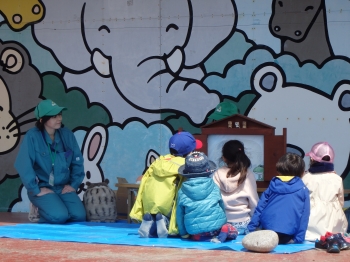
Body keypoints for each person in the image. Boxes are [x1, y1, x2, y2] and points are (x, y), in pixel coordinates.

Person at [14, 99, 86, 224]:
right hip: (43, 187)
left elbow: (77, 162)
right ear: (42, 120)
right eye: (53, 116)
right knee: (59, 216)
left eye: (59, 114)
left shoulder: (67, 135)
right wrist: (35, 189)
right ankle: (38, 210)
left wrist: (73, 185)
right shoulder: (32, 136)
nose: (59, 118)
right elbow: (23, 165)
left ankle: (54, 205)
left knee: (79, 216)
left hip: (63, 187)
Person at [129, 131, 201, 238]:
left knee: (155, 219)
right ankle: (164, 221)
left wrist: (139, 209)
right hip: (167, 206)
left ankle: (149, 220)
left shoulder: (158, 161)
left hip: (149, 203)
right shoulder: (184, 165)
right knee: (174, 214)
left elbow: (144, 181)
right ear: (189, 152)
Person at [247, 153, 310, 244]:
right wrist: (299, 238)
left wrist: (251, 228)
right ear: (302, 172)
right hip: (287, 235)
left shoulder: (271, 187)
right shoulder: (303, 190)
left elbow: (259, 209)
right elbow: (305, 215)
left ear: (279, 170)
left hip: (267, 231)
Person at [176, 151, 238, 243]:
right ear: (207, 170)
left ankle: (200, 237)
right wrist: (224, 222)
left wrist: (184, 234)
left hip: (195, 233)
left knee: (197, 236)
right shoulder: (214, 186)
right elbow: (221, 206)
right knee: (232, 230)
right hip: (216, 229)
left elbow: (180, 214)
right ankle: (223, 232)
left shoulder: (182, 190)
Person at [302, 142, 348, 241]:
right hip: (334, 229)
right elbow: (341, 203)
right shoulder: (337, 179)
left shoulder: (306, 178)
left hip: (309, 229)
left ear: (311, 159)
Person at [213, 140, 259, 235]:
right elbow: (254, 202)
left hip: (222, 224)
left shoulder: (217, 174)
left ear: (224, 158)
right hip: (244, 223)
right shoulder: (247, 174)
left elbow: (213, 199)